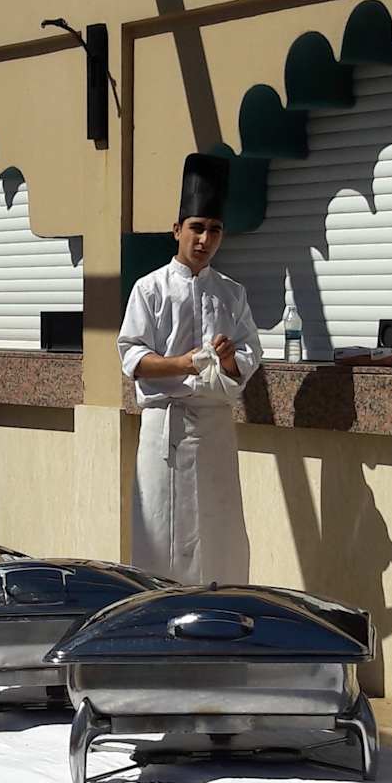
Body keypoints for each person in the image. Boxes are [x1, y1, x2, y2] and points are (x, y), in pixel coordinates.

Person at [118, 153, 262, 585]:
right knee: (159, 533)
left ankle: (219, 611)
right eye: (197, 227)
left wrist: (230, 359)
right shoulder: (150, 289)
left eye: (214, 229)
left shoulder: (232, 294)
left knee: (218, 532)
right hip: (165, 428)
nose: (204, 238)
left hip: (214, 430)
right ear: (177, 229)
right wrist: (181, 363)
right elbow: (132, 356)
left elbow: (249, 355)